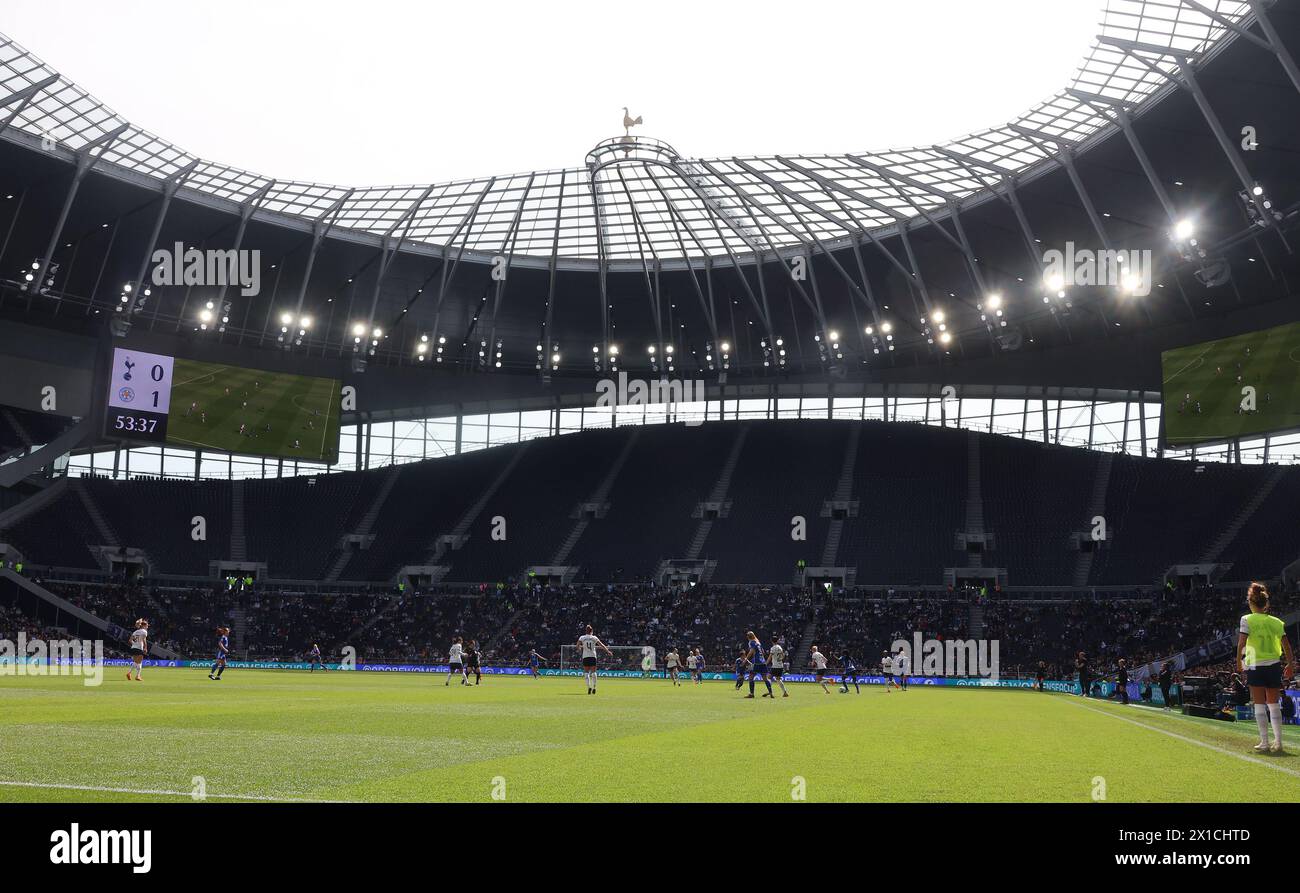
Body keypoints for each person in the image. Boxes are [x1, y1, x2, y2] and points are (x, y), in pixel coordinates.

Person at [1236, 581, 1295, 754]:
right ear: (1266, 604)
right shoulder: (1277, 622)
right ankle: (1279, 742)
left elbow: (1241, 644)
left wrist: (1239, 662)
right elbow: (1287, 645)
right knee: (1274, 704)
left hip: (1255, 664)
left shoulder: (1246, 619)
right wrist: (1290, 664)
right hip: (1274, 664)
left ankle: (1265, 742)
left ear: (1251, 602)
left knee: (1259, 705)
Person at [578, 625, 613, 695]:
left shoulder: (582, 637)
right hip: (593, 656)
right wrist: (608, 651)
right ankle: (594, 687)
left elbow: (577, 645)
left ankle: (589, 687)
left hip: (585, 656)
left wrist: (579, 648)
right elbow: (601, 645)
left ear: (586, 631)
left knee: (586, 672)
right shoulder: (594, 638)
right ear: (592, 631)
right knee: (594, 672)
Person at [742, 631, 773, 699]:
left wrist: (745, 659)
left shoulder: (751, 642)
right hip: (763, 662)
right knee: (765, 678)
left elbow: (751, 651)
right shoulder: (758, 642)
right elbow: (763, 651)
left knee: (750, 677)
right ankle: (770, 693)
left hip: (757, 662)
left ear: (748, 637)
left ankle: (751, 694)